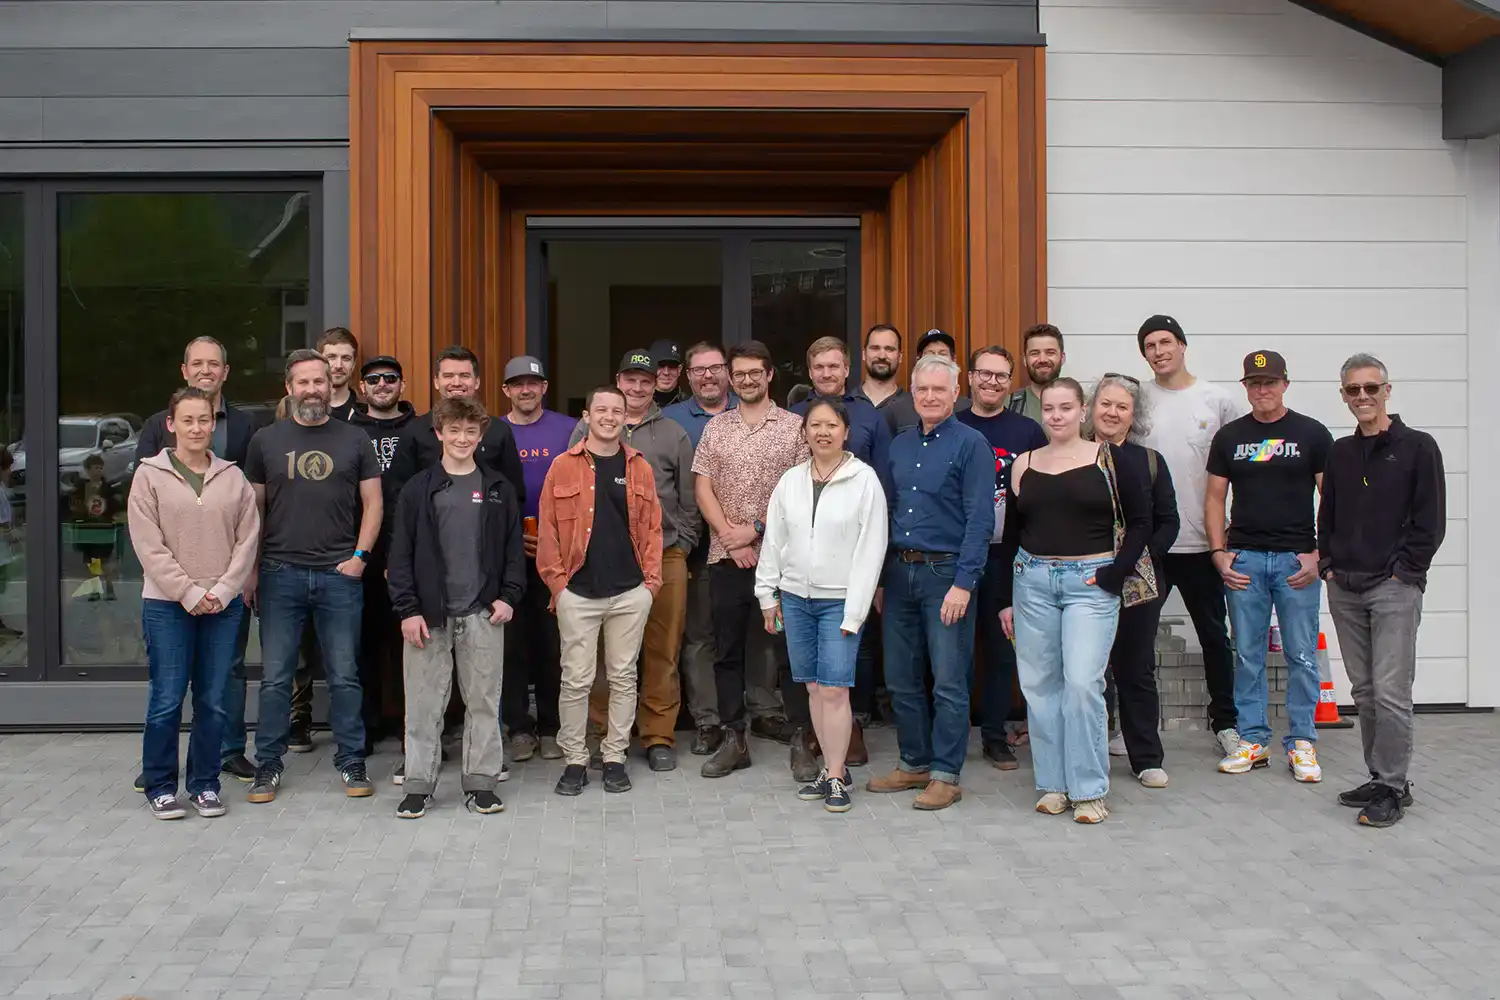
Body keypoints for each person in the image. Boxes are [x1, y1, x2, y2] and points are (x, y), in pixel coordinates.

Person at [997, 378, 1152, 824]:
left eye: (1066, 407)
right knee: (1041, 687)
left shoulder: (1112, 460)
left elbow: (1141, 523)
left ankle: (1088, 789)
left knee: (1083, 684)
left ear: (1082, 411)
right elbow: (1012, 536)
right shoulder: (1023, 464)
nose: (1057, 415)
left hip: (1090, 582)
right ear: (1041, 412)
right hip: (1034, 582)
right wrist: (1007, 597)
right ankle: (1053, 784)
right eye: (1049, 408)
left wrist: (1113, 575)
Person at [243, 349, 384, 804]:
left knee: (344, 675)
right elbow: (254, 512)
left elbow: (374, 504)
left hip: (339, 573)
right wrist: (251, 570)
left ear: (332, 386)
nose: (312, 390)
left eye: (319, 382)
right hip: (280, 573)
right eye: (303, 382)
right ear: (289, 388)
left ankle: (351, 758)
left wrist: (360, 556)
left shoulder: (355, 439)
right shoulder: (265, 441)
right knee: (276, 678)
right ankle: (268, 764)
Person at [1318, 353, 1446, 827]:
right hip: (1346, 587)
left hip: (1393, 589)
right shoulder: (1341, 452)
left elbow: (1431, 522)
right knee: (1366, 691)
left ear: (1387, 391)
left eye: (1371, 388)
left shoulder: (1418, 447)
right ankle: (1380, 775)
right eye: (1353, 390)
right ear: (1344, 396)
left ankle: (1394, 787)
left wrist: (1405, 573)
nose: (1363, 397)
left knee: (1392, 692)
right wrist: (1328, 563)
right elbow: (1327, 512)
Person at [387, 395, 524, 818]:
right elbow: (401, 554)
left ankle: (481, 783)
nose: (462, 438)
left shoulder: (498, 488)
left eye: (470, 431)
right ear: (439, 433)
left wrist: (508, 597)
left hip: (482, 611)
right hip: (429, 615)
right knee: (424, 704)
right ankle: (418, 786)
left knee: (483, 701)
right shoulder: (418, 488)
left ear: (481, 435)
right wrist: (407, 609)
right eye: (454, 430)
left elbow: (513, 550)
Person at [865, 354, 992, 811]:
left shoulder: (971, 444)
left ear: (956, 393)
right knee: (900, 676)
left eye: (940, 389)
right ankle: (914, 762)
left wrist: (965, 582)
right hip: (899, 572)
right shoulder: (898, 445)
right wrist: (879, 579)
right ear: (913, 393)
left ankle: (945, 773)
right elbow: (884, 513)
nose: (931, 397)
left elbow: (981, 518)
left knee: (949, 680)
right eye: (923, 390)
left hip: (946, 575)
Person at [129, 387, 260, 819]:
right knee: (167, 699)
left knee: (213, 700)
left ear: (213, 424)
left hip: (223, 607)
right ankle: (161, 785)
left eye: (203, 420)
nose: (196, 428)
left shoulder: (233, 477)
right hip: (167, 605)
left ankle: (205, 784)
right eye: (187, 420)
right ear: (171, 425)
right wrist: (187, 592)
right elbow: (149, 546)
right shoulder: (149, 475)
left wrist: (222, 591)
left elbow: (248, 539)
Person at [568, 349, 699, 771]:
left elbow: (687, 498)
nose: (638, 387)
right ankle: (607, 736)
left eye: (645, 381)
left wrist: (683, 544)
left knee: (663, 650)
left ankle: (658, 735)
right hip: (604, 559)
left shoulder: (673, 432)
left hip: (664, 556)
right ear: (618, 382)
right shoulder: (586, 429)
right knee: (608, 654)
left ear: (654, 384)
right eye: (630, 380)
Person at [755, 395, 887, 812]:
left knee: (835, 690)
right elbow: (774, 540)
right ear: (805, 432)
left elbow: (872, 549)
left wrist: (857, 610)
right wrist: (767, 594)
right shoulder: (791, 480)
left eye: (832, 425)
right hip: (795, 599)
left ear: (846, 432)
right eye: (815, 425)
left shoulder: (864, 480)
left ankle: (834, 776)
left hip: (840, 601)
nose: (823, 432)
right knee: (813, 686)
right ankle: (834, 769)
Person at [1206, 350, 1332, 782]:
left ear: (1285, 384)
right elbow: (1214, 498)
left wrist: (1320, 554)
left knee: (1300, 654)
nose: (1263, 390)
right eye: (1255, 383)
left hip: (1297, 561)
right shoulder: (1229, 437)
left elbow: (1331, 500)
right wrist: (1219, 552)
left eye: (1270, 382)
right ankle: (1254, 740)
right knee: (1247, 654)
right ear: (1245, 387)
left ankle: (1302, 743)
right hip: (1246, 560)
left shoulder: (1312, 434)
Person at [694, 341, 816, 781]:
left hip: (782, 561)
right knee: (727, 650)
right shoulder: (716, 429)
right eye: (738, 373)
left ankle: (802, 737)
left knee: (789, 650)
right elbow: (703, 486)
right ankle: (734, 737)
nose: (746, 380)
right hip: (727, 558)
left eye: (754, 373)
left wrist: (757, 530)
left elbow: (804, 491)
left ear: (769, 376)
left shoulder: (794, 427)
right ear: (731, 376)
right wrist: (731, 536)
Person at [538, 386, 662, 796]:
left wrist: (650, 584)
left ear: (627, 417)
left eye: (617, 411)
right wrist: (559, 584)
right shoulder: (562, 466)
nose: (609, 417)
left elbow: (653, 529)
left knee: (624, 677)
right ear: (587, 416)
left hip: (630, 592)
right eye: (601, 410)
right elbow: (549, 530)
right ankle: (575, 759)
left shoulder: (639, 467)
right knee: (576, 679)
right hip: (579, 592)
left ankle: (614, 757)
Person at [1136, 315, 1245, 755]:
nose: (1159, 351)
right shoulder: (1137, 399)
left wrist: (1230, 532)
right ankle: (1136, 727)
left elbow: (1240, 471)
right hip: (1151, 544)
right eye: (1149, 345)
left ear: (1182, 345)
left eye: (1166, 342)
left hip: (1203, 543)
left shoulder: (1217, 400)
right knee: (1135, 638)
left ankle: (1226, 722)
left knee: (1214, 636)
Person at [789, 335, 894, 765]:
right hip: (808, 557)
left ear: (847, 368)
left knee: (859, 645)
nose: (827, 373)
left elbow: (885, 482)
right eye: (819, 367)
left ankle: (854, 727)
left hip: (854, 555)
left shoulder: (870, 415)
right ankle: (813, 732)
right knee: (807, 657)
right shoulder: (793, 415)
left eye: (835, 366)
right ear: (810, 371)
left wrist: (879, 569)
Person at [956, 346, 1047, 770]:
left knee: (1000, 648)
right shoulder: (953, 424)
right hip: (956, 556)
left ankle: (994, 736)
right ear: (970, 378)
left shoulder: (1027, 431)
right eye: (985, 374)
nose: (992, 382)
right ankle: (952, 737)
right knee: (953, 649)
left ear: (1010, 382)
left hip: (1008, 557)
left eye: (1001, 376)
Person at [1086, 374, 1179, 788]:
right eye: (1105, 403)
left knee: (1135, 668)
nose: (1112, 412)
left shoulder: (1149, 462)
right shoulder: (1076, 456)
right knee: (1088, 669)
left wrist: (1141, 558)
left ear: (1133, 415)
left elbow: (1168, 521)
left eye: (1122, 406)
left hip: (1138, 582)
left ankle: (1145, 756)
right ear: (1091, 408)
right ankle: (1089, 752)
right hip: (1085, 577)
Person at [500, 355, 574, 764]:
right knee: (511, 644)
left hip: (558, 554)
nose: (526, 389)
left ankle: (551, 725)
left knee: (552, 644)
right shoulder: (493, 431)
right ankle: (518, 728)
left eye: (533, 382)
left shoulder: (567, 429)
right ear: (506, 390)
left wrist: (554, 537)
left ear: (544, 387)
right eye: (517, 383)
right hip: (507, 556)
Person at [350, 355, 417, 753]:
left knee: (413, 643)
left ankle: (414, 727)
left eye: (390, 378)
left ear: (402, 385)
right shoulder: (347, 430)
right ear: (363, 387)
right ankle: (369, 724)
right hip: (361, 553)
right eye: (373, 379)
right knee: (364, 643)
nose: (382, 384)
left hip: (410, 551)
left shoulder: (422, 429)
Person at [386, 344, 526, 506]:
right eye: (448, 376)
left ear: (477, 382)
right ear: (436, 382)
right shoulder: (414, 432)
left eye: (464, 375)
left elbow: (515, 495)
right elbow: (397, 495)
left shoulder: (498, 431)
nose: (456, 382)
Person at [879, 328, 971, 435]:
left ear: (953, 359)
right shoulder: (897, 410)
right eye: (930, 354)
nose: (936, 358)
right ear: (918, 359)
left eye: (942, 354)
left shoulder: (968, 408)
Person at [65, 454, 124, 601]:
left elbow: (117, 505)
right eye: (95, 468)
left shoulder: (108, 488)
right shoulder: (80, 489)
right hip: (88, 528)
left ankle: (109, 587)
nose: (98, 471)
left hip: (104, 528)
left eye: (100, 468)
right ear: (87, 470)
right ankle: (95, 588)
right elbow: (74, 506)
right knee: (91, 560)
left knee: (106, 559)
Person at [1005, 324, 1066, 426]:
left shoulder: (1081, 403)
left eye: (1050, 352)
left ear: (1062, 357)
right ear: (1025, 360)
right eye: (1034, 353)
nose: (1042, 359)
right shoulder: (1009, 406)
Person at [318, 327, 364, 421]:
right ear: (319, 361)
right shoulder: (303, 406)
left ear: (354, 364)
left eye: (346, 358)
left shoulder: (366, 409)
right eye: (331, 357)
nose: (338, 365)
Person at [860, 323, 903, 409]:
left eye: (889, 349)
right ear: (864, 354)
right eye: (875, 348)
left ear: (900, 357)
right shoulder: (845, 405)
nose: (882, 356)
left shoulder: (914, 406)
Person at [650, 338, 689, 408]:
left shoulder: (691, 405)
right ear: (650, 368)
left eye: (672, 366)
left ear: (679, 370)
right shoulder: (639, 403)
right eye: (660, 365)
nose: (666, 372)